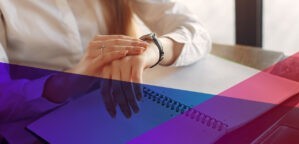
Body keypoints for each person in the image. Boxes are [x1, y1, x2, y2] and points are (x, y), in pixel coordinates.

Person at [0, 0, 211, 143]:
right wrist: (64, 83)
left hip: (120, 118)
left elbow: (197, 32)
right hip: (35, 130)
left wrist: (151, 50)